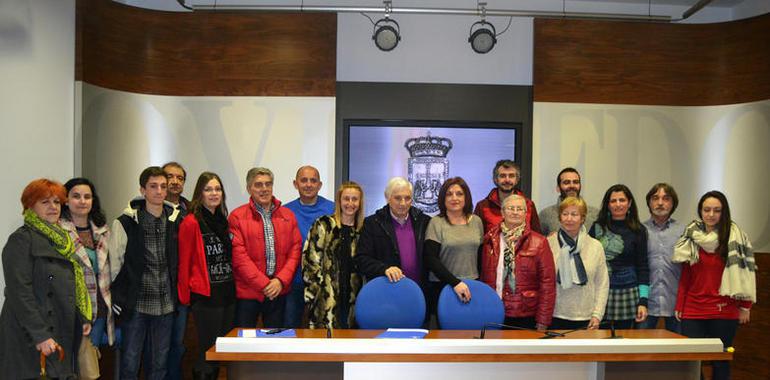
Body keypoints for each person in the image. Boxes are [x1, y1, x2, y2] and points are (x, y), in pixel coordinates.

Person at [1, 179, 92, 379]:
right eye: (45, 202)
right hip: (30, 334)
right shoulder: (21, 240)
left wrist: (81, 316)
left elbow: (70, 286)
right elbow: (20, 293)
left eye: (57, 202)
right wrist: (40, 335)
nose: (53, 207)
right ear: (30, 206)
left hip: (60, 328)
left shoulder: (64, 240)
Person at [108, 166, 182, 380]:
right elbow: (115, 264)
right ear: (142, 190)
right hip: (136, 304)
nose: (159, 191)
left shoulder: (175, 221)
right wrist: (121, 296)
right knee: (131, 361)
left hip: (166, 304)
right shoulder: (126, 223)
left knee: (160, 363)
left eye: (163, 186)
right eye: (153, 186)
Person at [673, 191, 756, 380]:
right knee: (693, 361)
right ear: (700, 211)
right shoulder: (691, 236)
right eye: (707, 209)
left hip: (724, 310)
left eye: (716, 210)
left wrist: (746, 306)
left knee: (721, 360)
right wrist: (680, 304)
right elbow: (686, 275)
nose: (711, 214)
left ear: (724, 212)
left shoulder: (736, 237)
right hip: (693, 309)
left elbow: (747, 274)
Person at [178, 172, 235, 380]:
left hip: (227, 293)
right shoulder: (191, 222)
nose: (214, 193)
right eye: (208, 189)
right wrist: (185, 296)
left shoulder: (223, 220)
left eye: (217, 189)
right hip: (205, 296)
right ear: (199, 193)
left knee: (219, 350)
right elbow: (184, 263)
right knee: (207, 349)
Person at [229, 167, 301, 328]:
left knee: (275, 344)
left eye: (268, 184)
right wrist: (265, 284)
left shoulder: (287, 215)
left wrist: (280, 281)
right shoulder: (237, 217)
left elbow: (295, 251)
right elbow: (239, 257)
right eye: (258, 185)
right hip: (248, 294)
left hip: (278, 291)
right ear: (249, 189)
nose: (264, 189)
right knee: (244, 345)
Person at [59, 178, 115, 377]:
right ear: (65, 200)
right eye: (76, 196)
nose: (82, 201)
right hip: (71, 310)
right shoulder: (59, 231)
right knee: (71, 366)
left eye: (87, 197)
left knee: (90, 364)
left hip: (98, 308)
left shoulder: (103, 231)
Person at [480, 194, 555, 331]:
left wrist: (543, 320)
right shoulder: (489, 240)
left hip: (524, 314)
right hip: (493, 310)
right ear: (502, 212)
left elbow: (548, 284)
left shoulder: (539, 242)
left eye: (520, 209)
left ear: (526, 214)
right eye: (511, 208)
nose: (515, 212)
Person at [303, 182, 365, 329]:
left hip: (355, 299)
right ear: (339, 201)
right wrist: (316, 294)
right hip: (325, 299)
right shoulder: (323, 225)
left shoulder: (364, 229)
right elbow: (310, 262)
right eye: (346, 199)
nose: (350, 203)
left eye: (354, 199)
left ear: (360, 202)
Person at [423, 177, 484, 321]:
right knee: (445, 335)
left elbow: (480, 256)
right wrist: (455, 283)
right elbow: (430, 259)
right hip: (444, 286)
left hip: (472, 285)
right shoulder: (436, 223)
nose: (454, 198)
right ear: (443, 199)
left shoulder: (476, 221)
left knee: (469, 331)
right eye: (449, 194)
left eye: (459, 193)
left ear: (466, 197)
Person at [589, 184, 649, 329]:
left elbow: (643, 266)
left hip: (628, 294)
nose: (618, 204)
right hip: (601, 292)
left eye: (622, 200)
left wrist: (643, 301)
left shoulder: (639, 230)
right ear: (607, 205)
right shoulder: (597, 228)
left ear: (629, 203)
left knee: (625, 342)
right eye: (613, 201)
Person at [284, 165, 335, 328]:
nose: (308, 184)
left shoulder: (333, 209)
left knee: (321, 328)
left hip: (323, 282)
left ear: (319, 185)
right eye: (303, 180)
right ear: (295, 183)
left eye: (313, 180)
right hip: (294, 281)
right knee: (289, 327)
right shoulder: (285, 212)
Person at [546, 197, 608, 330]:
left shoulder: (595, 246)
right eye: (565, 214)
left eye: (574, 214)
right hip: (555, 315)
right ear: (559, 217)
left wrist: (597, 315)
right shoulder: (548, 243)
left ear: (583, 218)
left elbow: (602, 284)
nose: (569, 218)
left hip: (586, 317)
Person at [355, 177, 431, 285]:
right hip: (387, 290)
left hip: (419, 291)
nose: (403, 203)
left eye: (407, 198)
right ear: (388, 198)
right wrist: (384, 269)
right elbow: (361, 259)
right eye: (398, 198)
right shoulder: (373, 223)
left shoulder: (424, 222)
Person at [639, 183, 684, 333]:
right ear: (649, 202)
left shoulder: (684, 231)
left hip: (676, 302)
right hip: (645, 303)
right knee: (640, 351)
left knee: (679, 352)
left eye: (666, 198)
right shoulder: (639, 230)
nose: (660, 203)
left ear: (673, 203)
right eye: (655, 198)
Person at [161, 161, 189, 380]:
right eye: (170, 176)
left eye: (180, 178)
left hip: (182, 290)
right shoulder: (149, 209)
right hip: (156, 289)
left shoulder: (191, 211)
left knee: (177, 344)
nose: (175, 181)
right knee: (158, 345)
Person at [474, 159, 541, 234]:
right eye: (502, 176)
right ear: (496, 179)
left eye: (511, 176)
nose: (507, 180)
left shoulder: (528, 205)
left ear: (517, 180)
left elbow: (537, 236)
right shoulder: (482, 206)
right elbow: (477, 239)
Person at [538, 167, 600, 236]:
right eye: (566, 182)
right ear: (558, 188)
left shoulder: (595, 214)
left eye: (575, 182)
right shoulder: (545, 215)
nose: (572, 185)